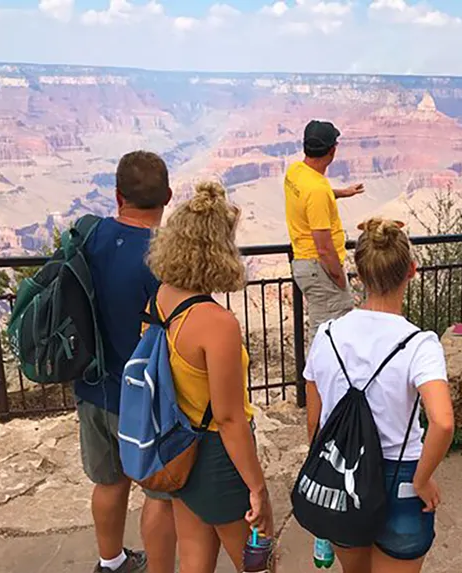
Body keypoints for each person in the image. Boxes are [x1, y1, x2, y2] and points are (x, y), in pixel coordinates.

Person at [304, 218, 455, 573]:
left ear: (358, 275)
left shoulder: (325, 336)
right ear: (412, 271)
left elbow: (315, 421)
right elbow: (443, 422)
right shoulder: (420, 345)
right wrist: (422, 478)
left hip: (342, 473)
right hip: (401, 478)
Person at [146, 182, 273, 572]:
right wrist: (257, 487)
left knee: (195, 560)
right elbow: (230, 417)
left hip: (180, 447)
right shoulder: (216, 323)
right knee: (257, 564)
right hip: (218, 456)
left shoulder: (161, 298)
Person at [75, 150, 175, 573]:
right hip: (143, 397)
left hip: (92, 387)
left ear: (117, 196)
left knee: (108, 482)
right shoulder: (163, 258)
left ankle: (111, 562)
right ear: (167, 197)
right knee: (159, 493)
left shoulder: (89, 238)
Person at [285, 119, 366, 337]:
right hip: (320, 268)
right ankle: (319, 372)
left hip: (305, 264)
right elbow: (323, 247)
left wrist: (341, 192)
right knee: (327, 335)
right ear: (332, 150)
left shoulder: (295, 171)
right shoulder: (317, 191)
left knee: (324, 330)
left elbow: (310, 196)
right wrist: (339, 277)